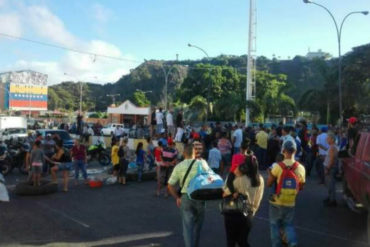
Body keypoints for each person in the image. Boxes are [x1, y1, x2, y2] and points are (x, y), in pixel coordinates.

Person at [167, 144, 210, 247]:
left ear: (183, 153)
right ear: (195, 153)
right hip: (200, 197)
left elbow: (170, 185)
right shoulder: (202, 163)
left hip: (185, 197)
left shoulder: (179, 166)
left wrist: (177, 197)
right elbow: (209, 179)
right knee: (197, 227)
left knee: (187, 228)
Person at [267, 140, 306, 247]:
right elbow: (301, 186)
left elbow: (269, 184)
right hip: (290, 202)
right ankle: (292, 243)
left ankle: (276, 245)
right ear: (296, 151)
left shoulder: (278, 166)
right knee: (288, 224)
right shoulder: (300, 168)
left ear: (283, 151)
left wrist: (271, 175)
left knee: (274, 225)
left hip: (277, 201)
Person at [222, 155, 264, 247]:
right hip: (247, 212)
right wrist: (252, 211)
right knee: (243, 241)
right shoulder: (259, 179)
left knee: (231, 241)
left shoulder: (238, 178)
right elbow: (258, 199)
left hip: (232, 211)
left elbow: (225, 192)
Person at [323, 132, 339, 207]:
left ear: (332, 139)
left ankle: (332, 200)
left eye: (328, 138)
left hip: (330, 168)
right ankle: (330, 198)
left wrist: (327, 168)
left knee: (331, 184)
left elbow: (332, 159)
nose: (326, 139)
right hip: (330, 167)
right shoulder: (332, 146)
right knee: (329, 184)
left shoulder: (333, 147)